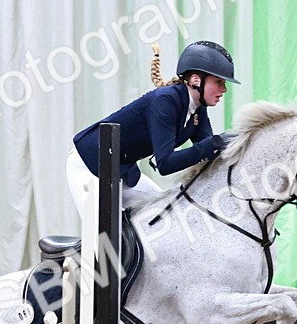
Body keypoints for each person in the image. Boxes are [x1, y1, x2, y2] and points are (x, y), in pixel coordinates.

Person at [68, 40, 239, 211]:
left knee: (167, 213)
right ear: (195, 80)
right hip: (89, 165)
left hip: (122, 170)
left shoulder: (198, 108)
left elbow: (209, 153)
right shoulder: (166, 101)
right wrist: (214, 143)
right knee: (104, 237)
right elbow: (165, 164)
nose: (224, 89)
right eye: (219, 82)